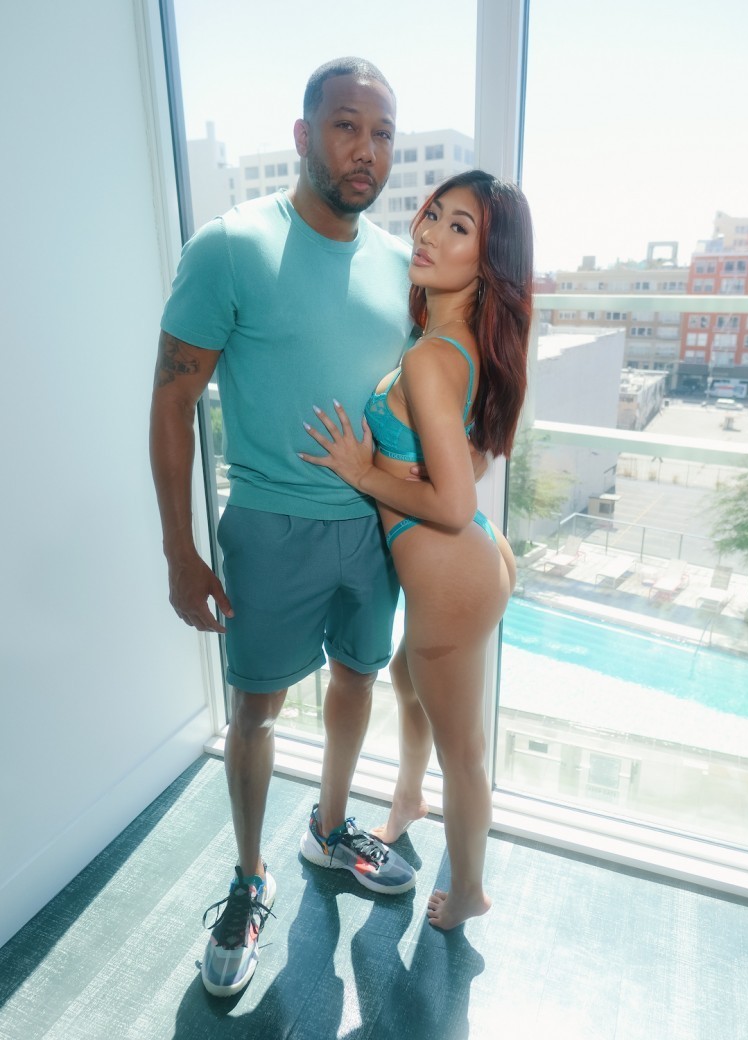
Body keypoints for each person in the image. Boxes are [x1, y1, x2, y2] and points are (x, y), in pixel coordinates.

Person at [149, 57, 419, 998]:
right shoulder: (230, 247)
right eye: (347, 127)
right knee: (255, 713)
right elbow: (171, 401)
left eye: (382, 134)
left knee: (358, 678)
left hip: (373, 529)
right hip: (268, 527)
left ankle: (329, 827)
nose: (366, 150)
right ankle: (248, 877)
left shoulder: (401, 265)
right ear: (305, 136)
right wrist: (180, 550)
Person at [300, 169, 533, 930]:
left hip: (451, 574)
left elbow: (455, 501)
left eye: (459, 227)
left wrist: (366, 472)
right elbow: (474, 459)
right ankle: (409, 796)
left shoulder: (434, 357)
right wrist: (413, 470)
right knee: (407, 678)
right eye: (433, 214)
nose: (429, 233)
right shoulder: (460, 344)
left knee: (464, 752)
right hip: (473, 560)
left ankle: (469, 892)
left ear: (488, 261)